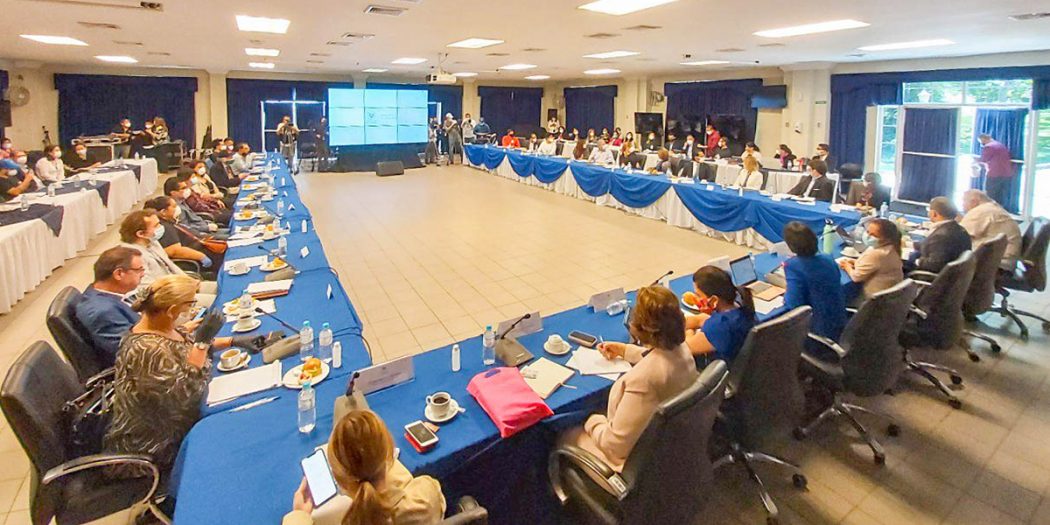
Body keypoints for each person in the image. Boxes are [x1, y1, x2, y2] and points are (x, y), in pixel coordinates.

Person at [102, 275, 233, 478]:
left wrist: (234, 342)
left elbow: (185, 346)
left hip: (171, 428)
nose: (191, 310)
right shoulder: (146, 350)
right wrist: (202, 344)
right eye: (189, 304)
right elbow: (188, 395)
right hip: (154, 448)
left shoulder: (159, 328)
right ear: (172, 310)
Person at [559, 286, 699, 473]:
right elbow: (659, 357)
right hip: (673, 449)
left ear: (639, 327)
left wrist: (592, 420)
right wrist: (624, 350)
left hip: (634, 466)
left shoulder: (643, 380)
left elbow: (614, 445)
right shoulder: (682, 350)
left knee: (565, 434)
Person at [284, 410, 445, 525]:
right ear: (389, 454)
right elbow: (424, 488)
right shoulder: (423, 501)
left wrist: (298, 516)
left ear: (340, 478)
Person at [117, 209, 218, 303]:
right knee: (216, 302)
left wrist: (188, 280)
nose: (161, 227)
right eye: (156, 225)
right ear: (140, 234)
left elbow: (170, 265)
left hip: (180, 285)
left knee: (221, 287)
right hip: (166, 298)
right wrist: (184, 287)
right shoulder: (131, 257)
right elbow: (148, 288)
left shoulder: (152, 242)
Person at [783, 221, 847, 342]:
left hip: (816, 331)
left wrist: (784, 296)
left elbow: (794, 303)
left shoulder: (793, 266)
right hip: (839, 323)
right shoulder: (828, 259)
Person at [684, 266, 756, 366]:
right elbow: (700, 319)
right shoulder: (739, 305)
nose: (697, 298)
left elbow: (687, 348)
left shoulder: (719, 326)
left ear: (714, 300)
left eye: (699, 295)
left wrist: (688, 330)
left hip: (723, 370)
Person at [839, 219, 904, 301]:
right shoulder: (891, 247)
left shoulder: (877, 254)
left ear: (886, 239)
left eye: (873, 235)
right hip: (891, 296)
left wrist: (847, 266)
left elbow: (856, 277)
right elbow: (876, 265)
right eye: (867, 231)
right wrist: (855, 262)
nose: (868, 235)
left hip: (874, 300)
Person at [960, 189, 1022, 271]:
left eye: (964, 201)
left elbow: (958, 235)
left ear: (974, 201)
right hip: (1006, 261)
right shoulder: (992, 208)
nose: (962, 205)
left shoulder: (981, 211)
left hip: (996, 265)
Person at [906, 197, 972, 274]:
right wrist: (909, 244)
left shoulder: (941, 236)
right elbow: (933, 247)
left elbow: (934, 265)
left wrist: (916, 260)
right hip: (953, 276)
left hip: (929, 276)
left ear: (934, 213)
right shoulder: (958, 229)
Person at [974, 134, 1015, 210]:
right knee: (1000, 195)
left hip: (994, 173)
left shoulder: (989, 147)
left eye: (981, 142)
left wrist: (975, 159)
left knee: (990, 194)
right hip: (1006, 173)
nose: (981, 144)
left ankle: (989, 211)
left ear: (983, 139)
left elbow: (983, 159)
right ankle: (999, 211)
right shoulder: (1000, 145)